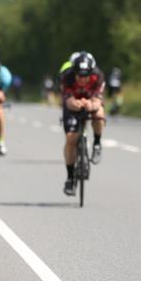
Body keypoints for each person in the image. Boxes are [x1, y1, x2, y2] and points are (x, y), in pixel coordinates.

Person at [59, 51, 106, 195]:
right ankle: (70, 177)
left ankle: (97, 143)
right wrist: (77, 104)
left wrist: (91, 105)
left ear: (91, 73)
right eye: (80, 75)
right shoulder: (67, 77)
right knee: (70, 139)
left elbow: (98, 101)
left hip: (90, 102)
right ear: (75, 72)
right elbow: (68, 101)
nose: (83, 79)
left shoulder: (98, 76)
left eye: (86, 75)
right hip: (73, 104)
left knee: (99, 114)